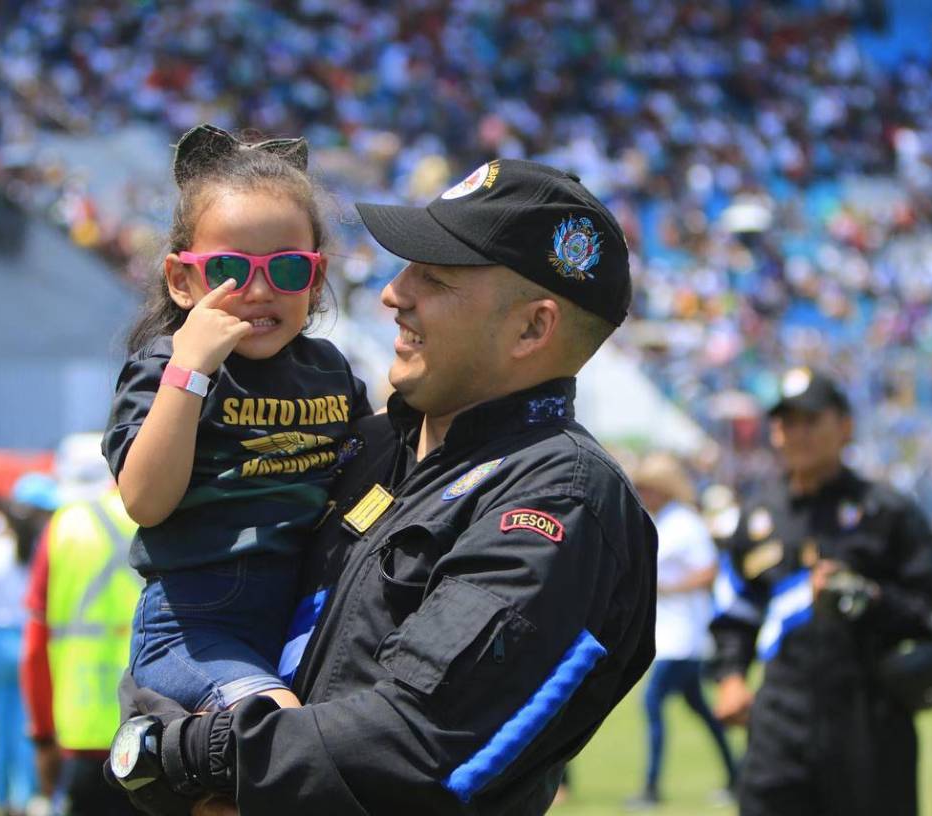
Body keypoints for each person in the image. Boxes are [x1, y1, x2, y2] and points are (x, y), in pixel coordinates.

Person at [106, 158, 657, 816]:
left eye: (435, 277)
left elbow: (419, 746)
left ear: (533, 328)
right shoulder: (367, 445)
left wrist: (189, 755)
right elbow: (192, 618)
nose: (393, 295)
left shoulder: (559, 497)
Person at [102, 125, 370, 716]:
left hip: (307, 620)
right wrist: (191, 369)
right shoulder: (163, 368)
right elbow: (145, 501)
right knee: (280, 731)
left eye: (288, 270)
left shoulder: (332, 371)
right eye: (229, 268)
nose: (258, 290)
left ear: (317, 279)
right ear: (182, 280)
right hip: (194, 628)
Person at [709, 369, 932, 816]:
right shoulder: (758, 516)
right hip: (780, 723)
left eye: (810, 420)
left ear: (844, 426)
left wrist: (866, 598)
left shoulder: (888, 512)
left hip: (870, 721)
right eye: (785, 422)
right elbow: (736, 612)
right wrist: (730, 677)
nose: (795, 433)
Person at [20, 449, 145, 816]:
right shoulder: (158, 512)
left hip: (83, 729)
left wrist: (42, 733)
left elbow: (35, 644)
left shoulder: (60, 529)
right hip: (160, 726)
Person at [625, 452, 737, 809]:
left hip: (685, 636)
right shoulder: (663, 521)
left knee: (652, 703)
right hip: (672, 635)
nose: (642, 494)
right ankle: (737, 776)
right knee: (701, 710)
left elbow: (709, 571)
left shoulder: (684, 523)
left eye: (646, 487)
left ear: (662, 488)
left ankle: (652, 787)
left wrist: (669, 588)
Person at [0, 474, 57, 816]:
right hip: (29, 634)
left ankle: (2, 797)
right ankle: (30, 795)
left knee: (0, 725)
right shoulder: (42, 545)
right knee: (32, 721)